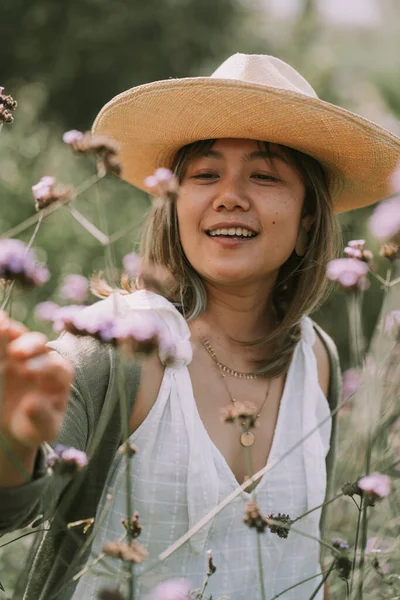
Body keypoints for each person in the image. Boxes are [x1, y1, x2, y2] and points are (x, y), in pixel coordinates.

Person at [0, 53, 399, 600]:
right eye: (205, 175)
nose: (229, 194)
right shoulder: (112, 343)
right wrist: (13, 440)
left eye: (264, 175)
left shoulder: (319, 357)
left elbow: (305, 554)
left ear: (309, 220)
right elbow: (10, 506)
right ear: (173, 203)